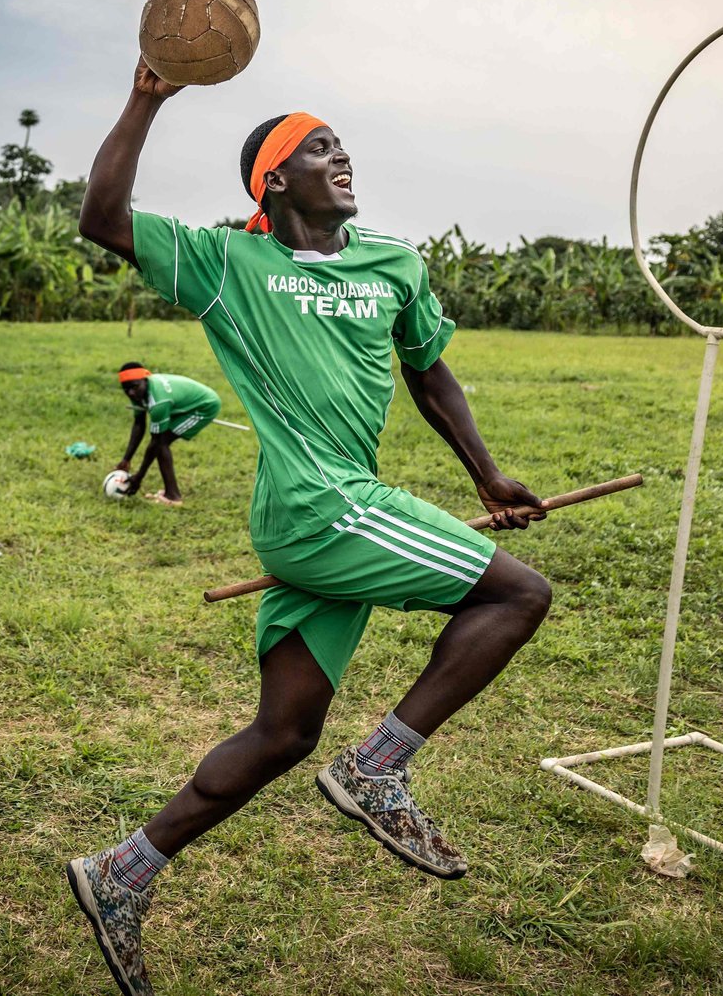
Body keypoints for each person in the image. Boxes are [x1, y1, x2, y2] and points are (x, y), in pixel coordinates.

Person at [70, 59, 553, 995]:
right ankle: (376, 773)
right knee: (519, 592)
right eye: (317, 148)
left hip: (346, 507)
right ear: (273, 181)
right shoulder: (226, 264)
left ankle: (121, 875)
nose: (341, 157)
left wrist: (487, 473)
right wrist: (148, 95)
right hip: (318, 507)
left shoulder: (393, 263)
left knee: (284, 734)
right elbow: (104, 220)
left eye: (341, 145)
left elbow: (430, 372)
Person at [115, 363, 221, 505]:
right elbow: (139, 424)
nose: (131, 393)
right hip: (179, 402)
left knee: (161, 443)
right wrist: (126, 459)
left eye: (134, 387)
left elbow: (156, 442)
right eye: (126, 389)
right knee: (161, 443)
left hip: (205, 406)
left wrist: (138, 477)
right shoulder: (138, 390)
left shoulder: (158, 402)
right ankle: (170, 493)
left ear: (145, 380)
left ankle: (173, 495)